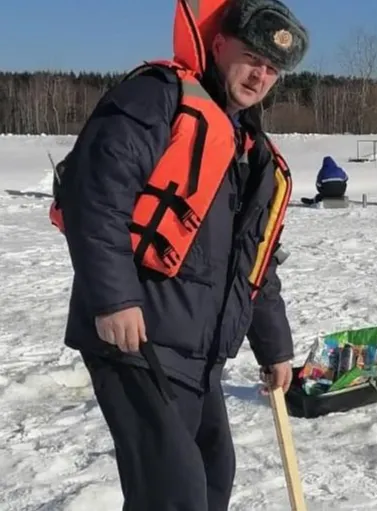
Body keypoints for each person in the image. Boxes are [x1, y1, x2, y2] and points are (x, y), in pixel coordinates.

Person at [49, 0, 308, 509]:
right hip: (136, 341)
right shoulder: (157, 99)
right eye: (252, 56)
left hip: (198, 354)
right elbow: (95, 195)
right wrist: (114, 299)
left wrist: (275, 347)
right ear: (217, 45)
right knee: (175, 496)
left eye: (272, 68)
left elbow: (254, 265)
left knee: (212, 482)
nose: (260, 74)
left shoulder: (249, 150)